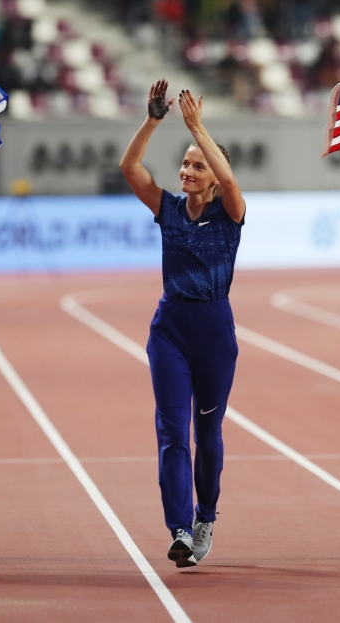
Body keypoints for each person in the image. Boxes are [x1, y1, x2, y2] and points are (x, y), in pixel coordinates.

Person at [119, 80, 245, 567]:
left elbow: (232, 184)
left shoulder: (230, 212)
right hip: (170, 329)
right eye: (186, 163)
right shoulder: (168, 209)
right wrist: (153, 121)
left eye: (198, 165)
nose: (188, 171)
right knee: (172, 432)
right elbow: (130, 168)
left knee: (207, 436)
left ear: (214, 176)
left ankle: (205, 516)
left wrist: (198, 126)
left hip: (214, 334)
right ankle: (179, 528)